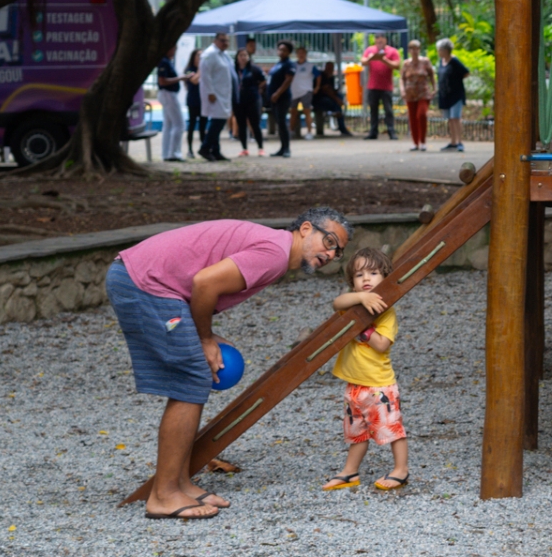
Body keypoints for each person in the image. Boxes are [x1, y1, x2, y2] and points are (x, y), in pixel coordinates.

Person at [109, 206, 352, 519]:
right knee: (191, 378)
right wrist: (205, 338)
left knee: (193, 375)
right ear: (306, 228)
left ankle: (181, 483)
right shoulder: (275, 253)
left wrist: (205, 334)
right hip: (143, 282)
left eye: (339, 251)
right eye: (330, 242)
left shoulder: (274, 249)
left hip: (145, 279)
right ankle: (164, 495)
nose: (332, 254)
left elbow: (201, 283)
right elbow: (205, 283)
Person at [320, 247, 412, 492]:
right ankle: (350, 471)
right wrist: (360, 299)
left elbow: (381, 345)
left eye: (373, 273)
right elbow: (336, 302)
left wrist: (364, 327)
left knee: (393, 429)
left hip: (379, 385)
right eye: (360, 275)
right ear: (353, 282)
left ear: (385, 278)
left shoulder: (386, 312)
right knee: (356, 432)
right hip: (355, 385)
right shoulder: (353, 304)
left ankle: (401, 470)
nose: (367, 279)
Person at [197, 32, 235, 161]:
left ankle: (216, 150)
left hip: (224, 93)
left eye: (227, 41)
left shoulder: (224, 55)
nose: (225, 43)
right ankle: (205, 148)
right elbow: (205, 75)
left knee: (220, 121)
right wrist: (210, 92)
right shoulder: (210, 54)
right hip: (215, 94)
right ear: (215, 40)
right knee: (217, 122)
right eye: (222, 40)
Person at [400, 39, 437, 151]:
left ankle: (423, 141)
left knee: (421, 115)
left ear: (419, 50)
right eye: (412, 49)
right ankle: (415, 143)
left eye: (417, 48)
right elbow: (401, 78)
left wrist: (434, 88)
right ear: (409, 50)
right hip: (410, 94)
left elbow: (431, 75)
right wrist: (402, 90)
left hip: (423, 93)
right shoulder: (406, 63)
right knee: (412, 117)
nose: (415, 51)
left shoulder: (425, 62)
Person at [362, 34, 400, 140]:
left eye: (381, 41)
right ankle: (373, 132)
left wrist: (383, 59)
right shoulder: (370, 50)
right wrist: (372, 57)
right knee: (373, 110)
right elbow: (363, 62)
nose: (379, 43)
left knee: (388, 110)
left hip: (386, 87)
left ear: (385, 40)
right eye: (377, 41)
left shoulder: (392, 51)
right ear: (375, 41)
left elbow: (397, 65)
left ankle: (391, 131)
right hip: (373, 86)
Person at [435, 39, 469, 151]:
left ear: (445, 50)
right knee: (450, 118)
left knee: (456, 117)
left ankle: (460, 142)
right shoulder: (441, 61)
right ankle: (453, 142)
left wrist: (456, 80)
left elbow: (466, 72)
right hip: (445, 95)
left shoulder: (454, 61)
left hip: (456, 94)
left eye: (440, 50)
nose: (438, 52)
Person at [235, 43, 268, 156]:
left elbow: (264, 80)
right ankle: (244, 148)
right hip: (239, 101)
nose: (243, 57)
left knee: (255, 124)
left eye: (245, 55)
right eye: (241, 55)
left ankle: (260, 148)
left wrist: (258, 88)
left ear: (248, 57)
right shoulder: (234, 69)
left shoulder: (254, 69)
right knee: (241, 125)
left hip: (253, 100)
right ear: (237, 57)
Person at [267, 40, 298, 158]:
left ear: (289, 52)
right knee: (279, 123)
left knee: (282, 122)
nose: (281, 52)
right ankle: (282, 147)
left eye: (284, 50)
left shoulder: (288, 64)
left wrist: (278, 93)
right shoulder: (278, 63)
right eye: (280, 49)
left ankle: (287, 149)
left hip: (282, 98)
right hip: (274, 98)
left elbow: (288, 80)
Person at [156, 50, 185, 162]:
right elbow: (162, 81)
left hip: (168, 94)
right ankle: (173, 153)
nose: (174, 51)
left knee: (168, 125)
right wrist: (180, 78)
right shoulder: (164, 61)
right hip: (167, 94)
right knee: (179, 124)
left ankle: (167, 153)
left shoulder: (167, 61)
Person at [315, 58, 351, 136]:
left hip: (329, 99)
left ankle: (335, 112)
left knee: (339, 97)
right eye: (328, 67)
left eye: (331, 67)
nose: (330, 69)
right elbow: (326, 90)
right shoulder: (322, 76)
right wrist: (337, 99)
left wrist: (336, 92)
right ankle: (334, 113)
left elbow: (331, 90)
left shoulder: (331, 77)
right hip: (318, 99)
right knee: (336, 102)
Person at [289, 45, 316, 138]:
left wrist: (317, 87)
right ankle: (291, 131)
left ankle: (309, 132)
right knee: (293, 112)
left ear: (306, 54)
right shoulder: (292, 65)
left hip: (306, 91)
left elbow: (318, 76)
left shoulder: (310, 66)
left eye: (303, 53)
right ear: (296, 54)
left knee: (307, 111)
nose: (301, 55)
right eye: (299, 53)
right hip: (294, 91)